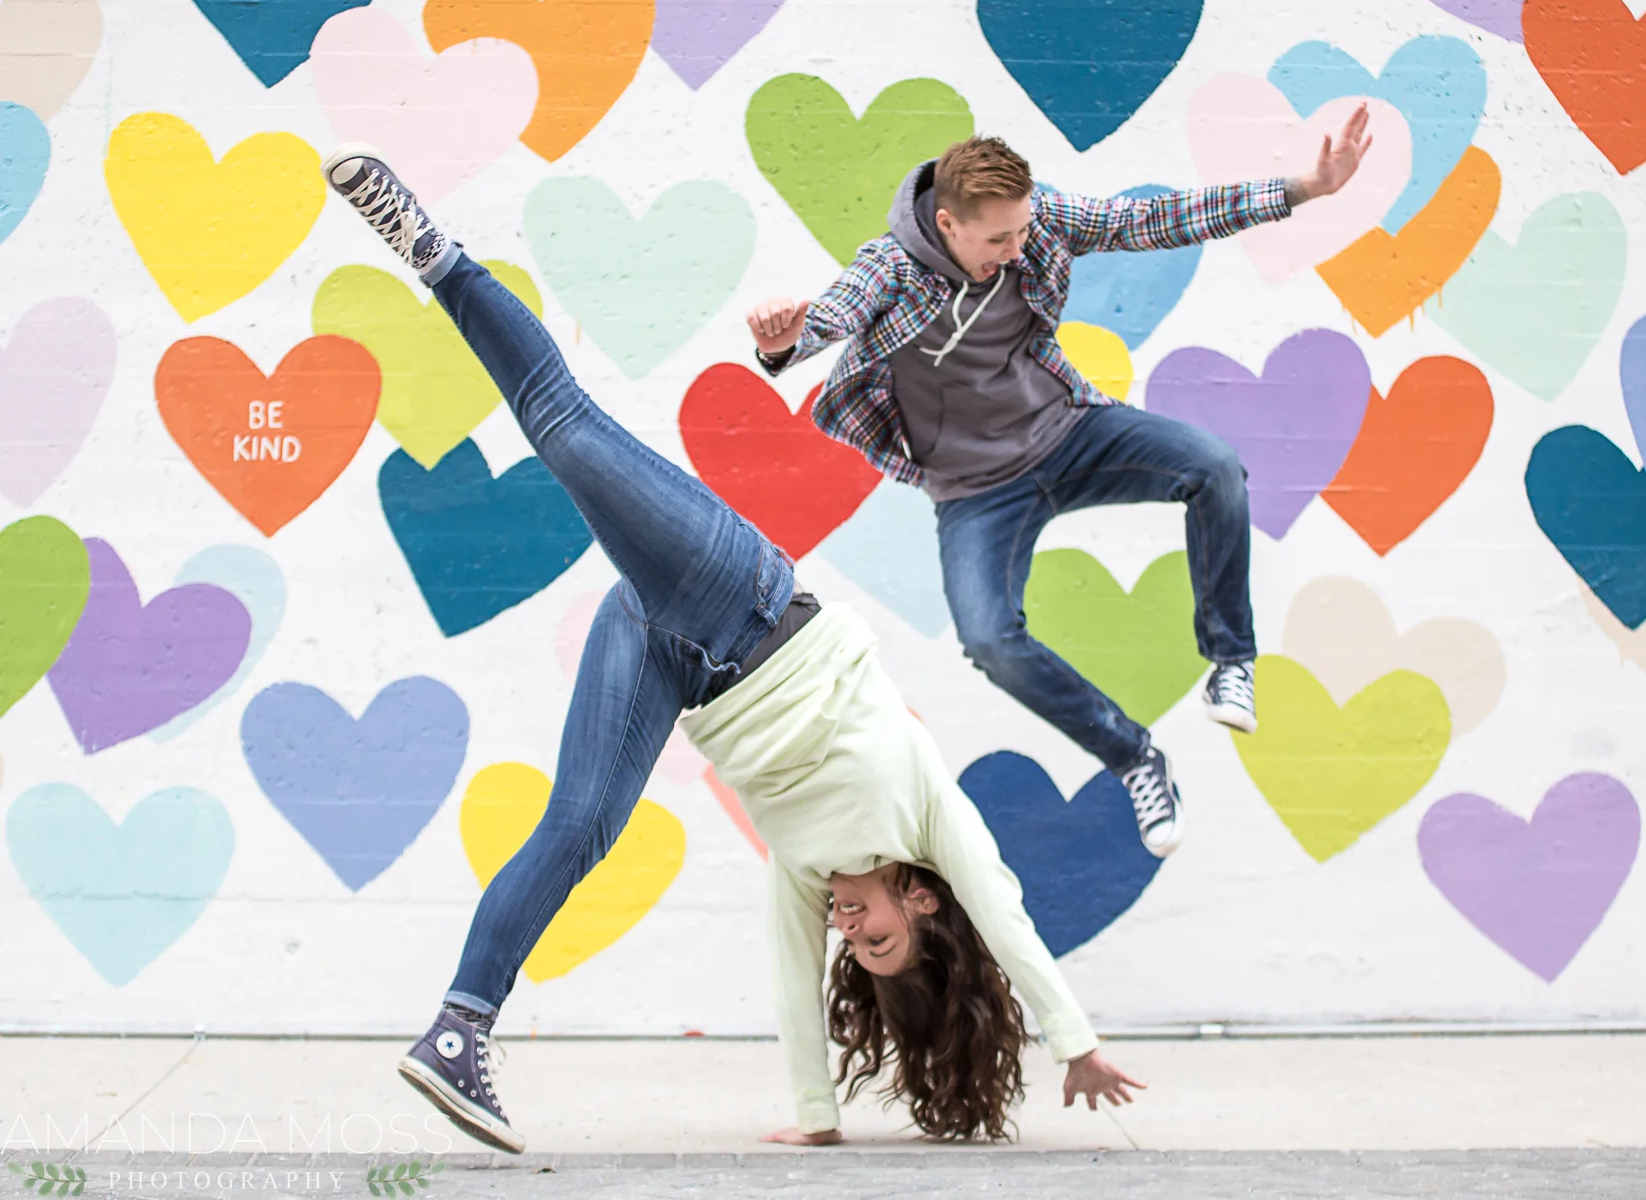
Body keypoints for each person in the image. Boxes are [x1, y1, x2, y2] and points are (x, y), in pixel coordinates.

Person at [319, 147, 1143, 1154]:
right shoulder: (927, 811)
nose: (850, 926)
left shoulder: (810, 871)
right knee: (565, 429)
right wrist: (1074, 1041)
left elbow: (791, 980)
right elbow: (1006, 921)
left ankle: (457, 1032)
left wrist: (816, 1118)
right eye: (878, 932)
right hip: (744, 603)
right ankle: (433, 250)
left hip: (674, 662)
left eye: (855, 944)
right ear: (922, 899)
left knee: (580, 826)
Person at [745, 106, 1375, 859]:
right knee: (990, 640)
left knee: (1213, 467)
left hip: (1069, 435)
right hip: (977, 490)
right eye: (997, 240)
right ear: (947, 224)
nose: (1016, 250)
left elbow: (1151, 220)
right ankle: (1134, 756)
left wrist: (1304, 188)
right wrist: (785, 341)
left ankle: (1231, 660)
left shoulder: (1036, 221)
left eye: (1021, 232)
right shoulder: (892, 267)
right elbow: (834, 312)